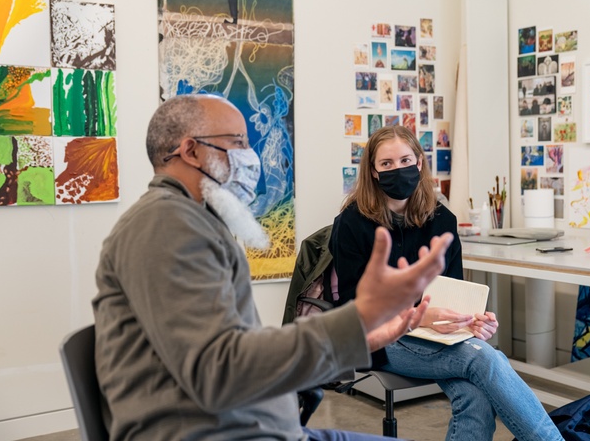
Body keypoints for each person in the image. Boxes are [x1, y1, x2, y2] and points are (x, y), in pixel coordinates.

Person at [92, 95, 454, 441]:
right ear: (191, 151)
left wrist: (363, 336)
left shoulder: (193, 221)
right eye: (237, 142)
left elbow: (234, 350)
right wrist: (359, 317)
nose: (251, 157)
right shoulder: (166, 226)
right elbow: (218, 371)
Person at [329, 125, 564, 441]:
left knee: (476, 395)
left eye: (404, 160)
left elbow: (451, 293)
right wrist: (418, 315)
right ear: (373, 171)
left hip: (435, 336)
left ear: (419, 163)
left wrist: (471, 322)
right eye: (386, 164)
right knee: (483, 358)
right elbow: (353, 306)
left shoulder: (442, 219)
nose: (397, 170)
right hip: (379, 337)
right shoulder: (351, 224)